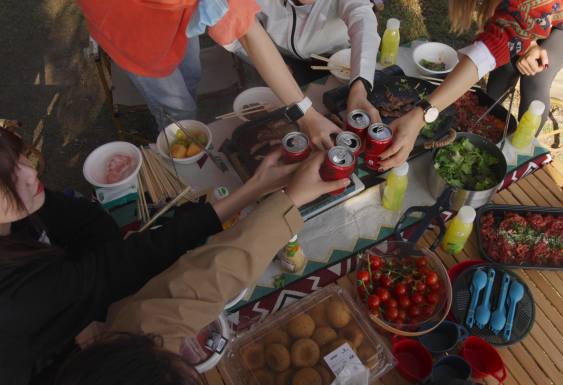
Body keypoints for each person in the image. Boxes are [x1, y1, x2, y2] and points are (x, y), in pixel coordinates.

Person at [0, 126, 345, 384]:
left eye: (17, 158)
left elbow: (108, 247)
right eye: (5, 180)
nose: (30, 173)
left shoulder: (22, 213)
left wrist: (256, 190)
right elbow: (144, 280)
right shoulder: (20, 298)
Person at [378, 0, 563, 170]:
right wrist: (528, 41)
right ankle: (476, 127)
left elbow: (499, 40)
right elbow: (505, 29)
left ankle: (520, 155)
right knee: (508, 63)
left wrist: (422, 114)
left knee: (536, 75)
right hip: (542, 8)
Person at [76, 0, 341, 149]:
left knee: (191, 75)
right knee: (176, 107)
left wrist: (305, 112)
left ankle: (182, 123)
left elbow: (245, 29)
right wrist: (304, 113)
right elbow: (248, 33)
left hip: (175, 15)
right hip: (129, 29)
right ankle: (178, 146)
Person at [235, 0, 382, 123]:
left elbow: (363, 19)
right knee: (286, 115)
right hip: (280, 61)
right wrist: (273, 65)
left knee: (334, 112)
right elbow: (240, 36)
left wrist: (360, 86)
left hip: (336, 61)